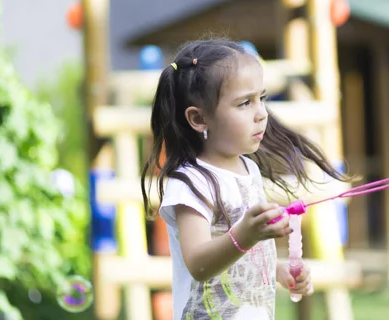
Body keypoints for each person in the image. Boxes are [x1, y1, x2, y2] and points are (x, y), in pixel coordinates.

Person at [141, 39, 352, 320]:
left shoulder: (248, 169)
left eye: (261, 98)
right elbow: (198, 264)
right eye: (244, 103)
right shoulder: (191, 182)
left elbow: (243, 259)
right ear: (198, 119)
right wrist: (247, 234)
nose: (261, 113)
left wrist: (277, 270)